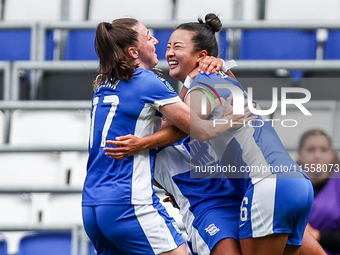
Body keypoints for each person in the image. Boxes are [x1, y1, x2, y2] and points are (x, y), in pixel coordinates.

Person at [104, 13, 326, 255]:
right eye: (168, 46)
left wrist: (141, 143)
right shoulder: (216, 79)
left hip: (266, 186)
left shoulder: (199, 85)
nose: (168, 52)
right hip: (295, 182)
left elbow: (190, 126)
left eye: (177, 46)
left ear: (201, 56)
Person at [81, 17, 255, 255]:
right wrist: (226, 120)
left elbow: (172, 122)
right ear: (133, 51)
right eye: (148, 36)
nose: (156, 41)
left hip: (92, 206)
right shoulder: (147, 81)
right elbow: (197, 127)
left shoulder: (104, 86)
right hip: (128, 203)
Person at [297, 129, 340, 255]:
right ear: (300, 154)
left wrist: (317, 235)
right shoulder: (288, 184)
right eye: (311, 149)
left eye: (324, 149)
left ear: (331, 154)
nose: (317, 155)